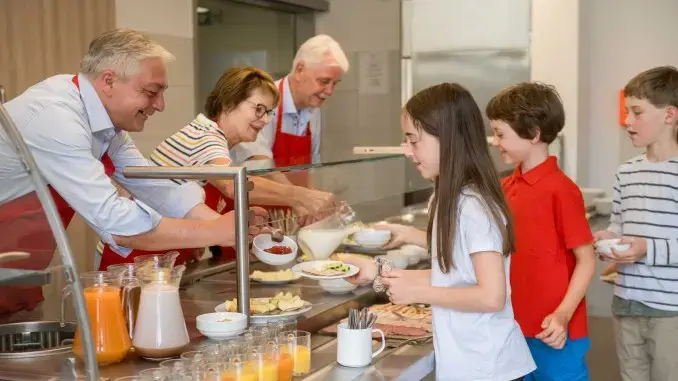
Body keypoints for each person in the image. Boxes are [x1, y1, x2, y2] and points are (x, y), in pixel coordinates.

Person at [0, 29, 266, 314]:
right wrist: (215, 231)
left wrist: (231, 227)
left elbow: (154, 186)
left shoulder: (104, 121)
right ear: (109, 81)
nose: (160, 106)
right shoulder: (56, 117)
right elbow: (116, 222)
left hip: (18, 267)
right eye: (151, 92)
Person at [343, 83, 535, 381]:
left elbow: (492, 296)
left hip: (488, 369)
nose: (407, 151)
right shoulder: (446, 198)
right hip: (468, 365)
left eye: (413, 141)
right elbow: (456, 277)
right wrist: (376, 272)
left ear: (447, 139)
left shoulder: (473, 206)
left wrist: (418, 291)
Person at [95, 66, 337, 267]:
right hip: (132, 254)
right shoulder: (206, 135)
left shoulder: (234, 147)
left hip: (166, 253)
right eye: (258, 109)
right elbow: (232, 184)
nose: (264, 120)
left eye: (269, 112)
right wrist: (302, 197)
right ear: (229, 102)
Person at [487, 82, 596, 380]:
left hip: (555, 332)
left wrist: (562, 315)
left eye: (500, 134)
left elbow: (586, 260)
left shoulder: (562, 191)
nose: (495, 142)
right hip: (513, 328)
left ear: (533, 134)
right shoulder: (505, 187)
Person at [593, 66, 678, 381]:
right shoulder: (626, 172)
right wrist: (608, 239)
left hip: (671, 312)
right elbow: (619, 224)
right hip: (627, 304)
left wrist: (646, 249)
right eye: (626, 111)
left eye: (637, 112)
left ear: (669, 115)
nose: (627, 121)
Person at [235, 34, 349, 186]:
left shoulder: (313, 109)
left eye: (335, 83)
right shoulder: (263, 103)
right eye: (324, 81)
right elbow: (260, 169)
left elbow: (311, 169)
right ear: (300, 70)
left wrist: (318, 202)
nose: (329, 91)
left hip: (292, 205)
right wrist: (303, 198)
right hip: (258, 205)